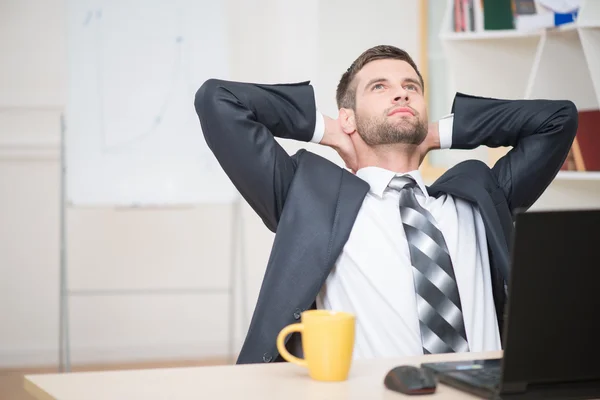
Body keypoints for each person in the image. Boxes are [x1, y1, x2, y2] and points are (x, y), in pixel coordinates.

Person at [194, 45, 577, 364]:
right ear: (349, 115)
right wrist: (331, 132)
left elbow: (558, 120)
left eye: (412, 86)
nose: (402, 93)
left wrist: (439, 132)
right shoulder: (308, 196)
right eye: (380, 87)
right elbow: (219, 101)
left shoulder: (479, 194)